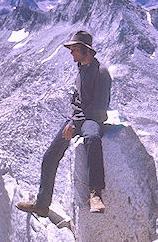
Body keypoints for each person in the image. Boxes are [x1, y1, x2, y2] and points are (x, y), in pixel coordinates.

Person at [16, 30, 112, 216]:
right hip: (78, 118)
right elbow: (78, 99)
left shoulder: (101, 72)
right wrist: (73, 119)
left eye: (75, 49)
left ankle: (95, 193)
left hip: (92, 119)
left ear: (86, 50)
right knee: (50, 155)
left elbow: (99, 108)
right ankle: (42, 204)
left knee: (92, 138)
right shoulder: (81, 68)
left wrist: (75, 123)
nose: (71, 53)